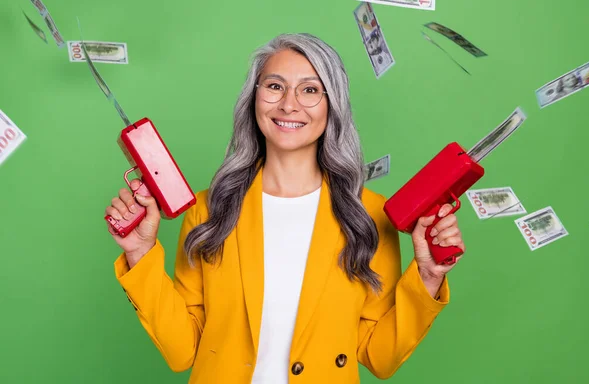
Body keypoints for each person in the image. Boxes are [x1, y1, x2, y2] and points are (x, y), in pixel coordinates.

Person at [106, 33, 466, 383]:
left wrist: (429, 276)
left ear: (332, 106)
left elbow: (380, 357)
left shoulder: (369, 216)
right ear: (254, 98)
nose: (288, 104)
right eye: (274, 86)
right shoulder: (209, 209)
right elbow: (182, 350)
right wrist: (140, 253)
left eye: (310, 90)